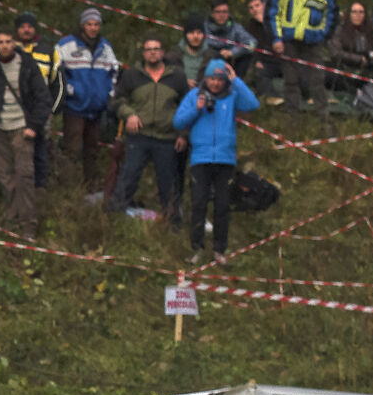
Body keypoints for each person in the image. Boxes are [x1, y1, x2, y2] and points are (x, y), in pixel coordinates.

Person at [170, 59, 260, 258]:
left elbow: (253, 104)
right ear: (206, 78)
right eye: (212, 79)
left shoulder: (232, 95)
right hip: (200, 158)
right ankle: (197, 247)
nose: (216, 83)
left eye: (220, 79)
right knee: (199, 203)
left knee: (222, 205)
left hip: (225, 159)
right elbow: (178, 121)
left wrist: (236, 81)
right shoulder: (195, 95)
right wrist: (196, 108)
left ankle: (220, 249)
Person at [0, 28, 52, 238]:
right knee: (5, 176)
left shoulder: (27, 66)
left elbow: (42, 98)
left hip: (22, 128)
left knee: (24, 175)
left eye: (9, 41)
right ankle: (11, 218)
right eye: (0, 42)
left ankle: (29, 223)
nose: (5, 46)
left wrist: (33, 126)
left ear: (14, 43)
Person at [106, 36, 188, 222]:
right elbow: (117, 100)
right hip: (138, 135)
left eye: (156, 49)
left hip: (167, 137)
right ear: (143, 53)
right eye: (149, 49)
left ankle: (172, 219)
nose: (153, 52)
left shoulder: (177, 76)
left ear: (162, 52)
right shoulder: (131, 74)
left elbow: (187, 107)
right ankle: (115, 215)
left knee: (168, 180)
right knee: (129, 174)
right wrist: (129, 114)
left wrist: (183, 135)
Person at [263, 0, 338, 117]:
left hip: (314, 43)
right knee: (291, 81)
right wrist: (277, 38)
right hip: (289, 42)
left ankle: (324, 119)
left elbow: (332, 15)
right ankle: (293, 120)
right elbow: (272, 14)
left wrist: (323, 36)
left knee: (317, 81)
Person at [52, 8, 119, 191]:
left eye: (96, 24)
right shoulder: (66, 45)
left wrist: (109, 93)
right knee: (72, 149)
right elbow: (56, 71)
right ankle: (68, 187)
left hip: (97, 107)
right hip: (74, 106)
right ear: (83, 25)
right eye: (89, 24)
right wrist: (70, 90)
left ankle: (91, 185)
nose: (93, 28)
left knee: (92, 149)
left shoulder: (105, 48)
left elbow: (115, 71)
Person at [11, 11, 59, 190]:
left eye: (30, 27)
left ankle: (40, 189)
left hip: (40, 109)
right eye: (22, 27)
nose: (26, 30)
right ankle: (15, 188)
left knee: (40, 149)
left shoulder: (48, 51)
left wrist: (52, 109)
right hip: (13, 109)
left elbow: (58, 82)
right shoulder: (7, 46)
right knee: (14, 150)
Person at [328, 0, 373, 119]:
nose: (357, 15)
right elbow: (335, 53)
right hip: (346, 70)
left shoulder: (370, 29)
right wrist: (358, 59)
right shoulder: (340, 29)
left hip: (367, 69)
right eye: (354, 12)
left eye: (361, 12)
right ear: (349, 14)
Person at [176, 16, 215, 84]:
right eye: (191, 32)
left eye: (199, 32)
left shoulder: (212, 57)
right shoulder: (172, 57)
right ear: (185, 35)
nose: (195, 36)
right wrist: (183, 83)